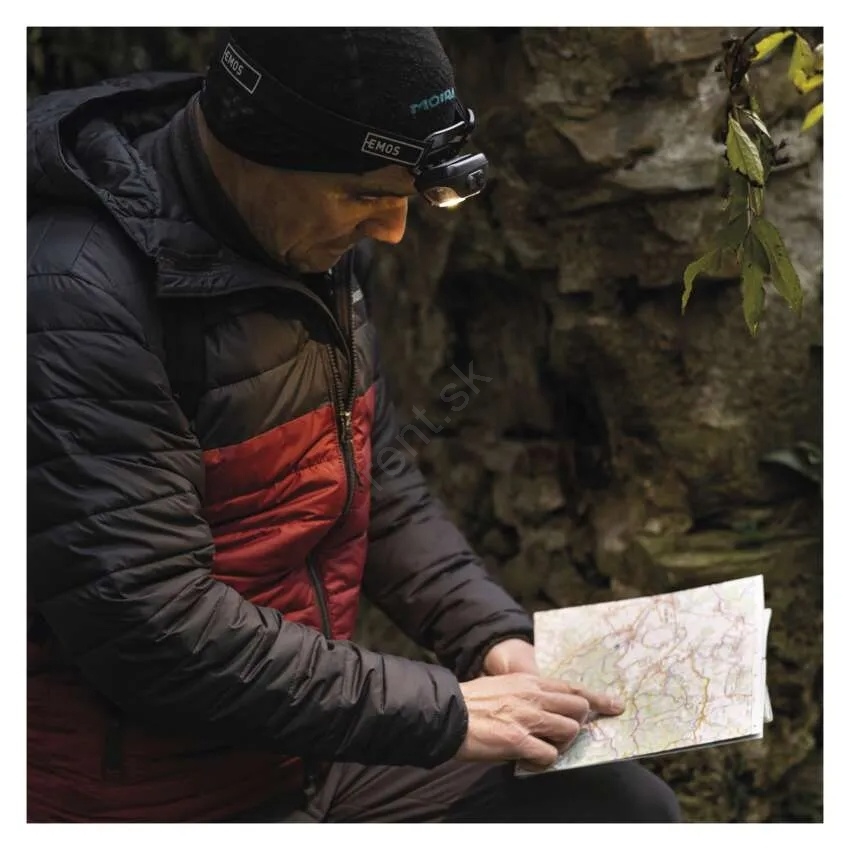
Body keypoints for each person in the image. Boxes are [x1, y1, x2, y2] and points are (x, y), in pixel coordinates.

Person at [27, 27, 680, 823]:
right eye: (367, 196)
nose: (393, 230)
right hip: (155, 797)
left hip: (307, 752)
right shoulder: (73, 295)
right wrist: (446, 711)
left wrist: (492, 638)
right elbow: (150, 624)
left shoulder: (301, 238)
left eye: (406, 197)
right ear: (258, 148)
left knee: (612, 804)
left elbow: (378, 478)